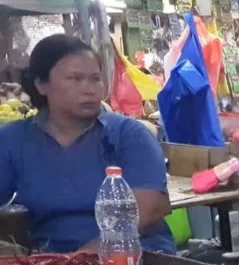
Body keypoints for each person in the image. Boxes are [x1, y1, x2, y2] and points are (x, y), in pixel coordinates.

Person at [0, 35, 173, 253]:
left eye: (95, 79)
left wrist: (77, 262)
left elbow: (148, 210)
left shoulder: (129, 135)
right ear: (41, 84)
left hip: (133, 263)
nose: (89, 89)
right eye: (75, 79)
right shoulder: (13, 140)